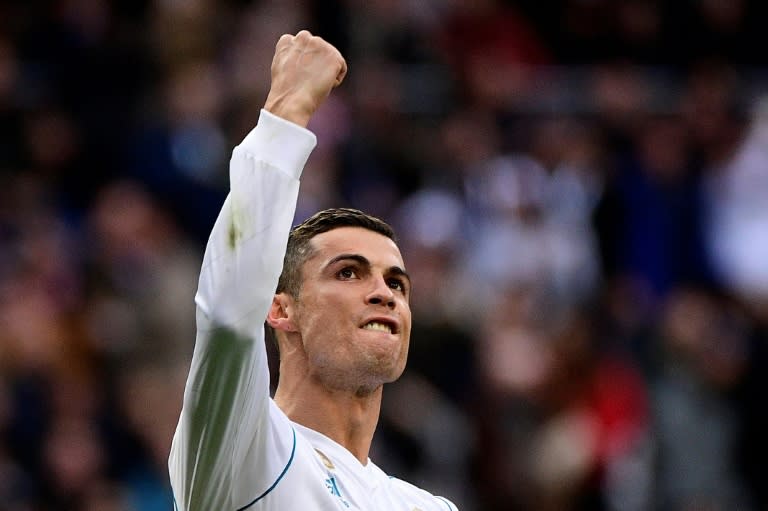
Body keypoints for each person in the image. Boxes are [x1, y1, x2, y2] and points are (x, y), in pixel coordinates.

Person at [168, 30, 459, 510]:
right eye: (348, 272)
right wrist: (288, 110)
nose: (385, 293)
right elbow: (227, 315)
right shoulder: (247, 451)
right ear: (281, 309)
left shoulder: (428, 507)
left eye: (397, 283)